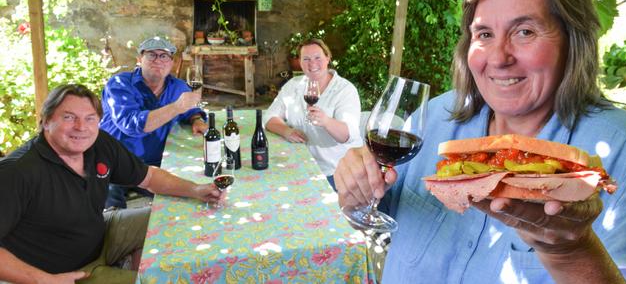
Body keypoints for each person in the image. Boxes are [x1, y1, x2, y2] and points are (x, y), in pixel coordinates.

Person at [334, 0, 626, 283]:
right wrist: (356, 191)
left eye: (525, 31)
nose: (499, 57)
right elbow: (377, 213)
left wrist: (570, 252)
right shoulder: (434, 118)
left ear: (574, 41)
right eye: (484, 34)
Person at [0, 84, 224, 284]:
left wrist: (196, 189)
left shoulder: (98, 144)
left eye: (90, 118)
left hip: (100, 235)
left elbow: (149, 177)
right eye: (69, 117)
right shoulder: (17, 171)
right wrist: (42, 280)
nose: (81, 127)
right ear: (46, 120)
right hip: (64, 274)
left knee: (171, 214)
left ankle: (132, 264)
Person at [100, 36, 208, 208]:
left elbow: (191, 109)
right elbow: (131, 125)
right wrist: (176, 107)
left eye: (164, 56)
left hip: (153, 166)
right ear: (139, 59)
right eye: (151, 55)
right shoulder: (119, 84)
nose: (158, 60)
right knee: (109, 215)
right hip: (114, 162)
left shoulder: (178, 87)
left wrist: (196, 119)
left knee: (189, 201)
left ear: (171, 63)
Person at [265, 38, 363, 189]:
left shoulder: (345, 90)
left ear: (328, 57)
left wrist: (326, 121)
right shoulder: (293, 85)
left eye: (317, 57)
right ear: (300, 62)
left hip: (336, 171)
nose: (312, 64)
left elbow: (348, 135)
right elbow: (269, 117)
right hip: (301, 165)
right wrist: (286, 130)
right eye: (306, 59)